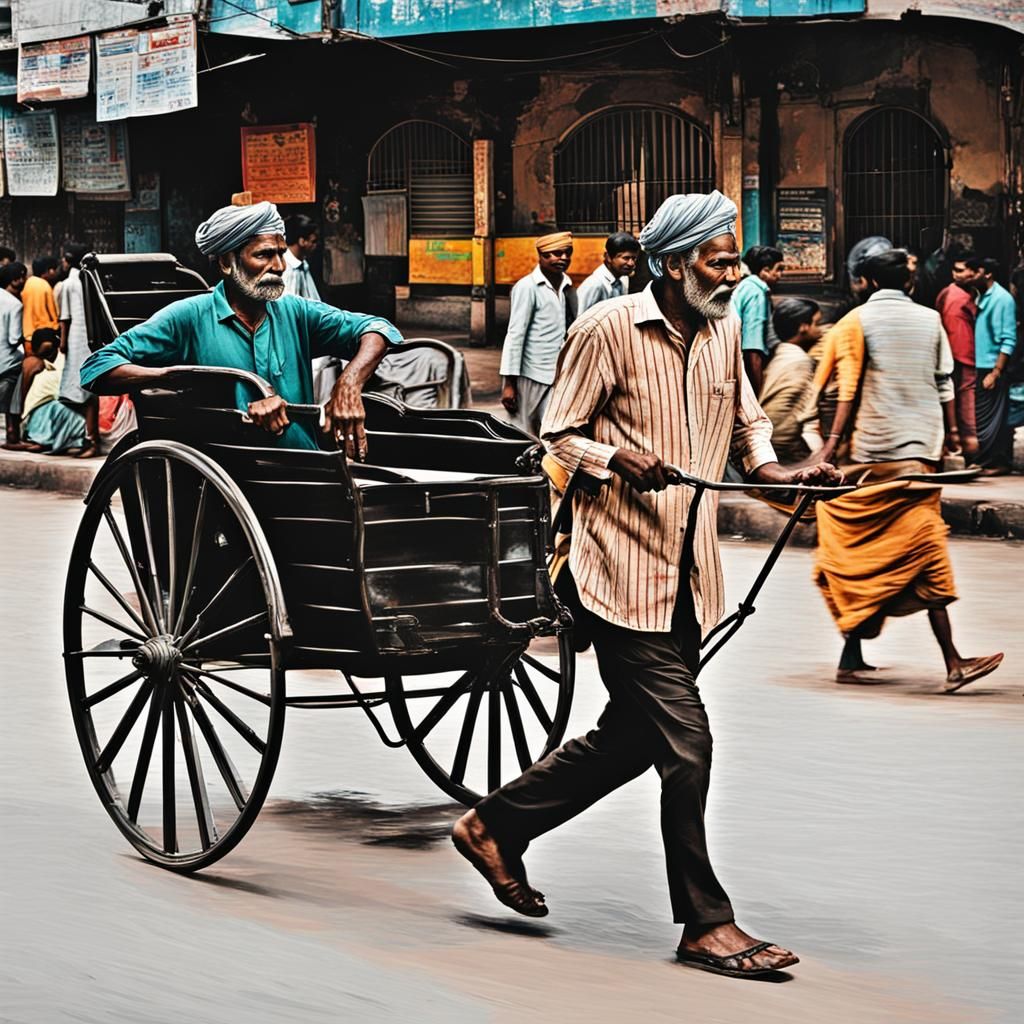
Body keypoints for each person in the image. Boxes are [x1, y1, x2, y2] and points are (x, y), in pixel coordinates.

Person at [452, 190, 842, 980]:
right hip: (617, 566)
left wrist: (779, 476)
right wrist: (613, 458)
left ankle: (493, 826)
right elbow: (556, 429)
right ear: (674, 263)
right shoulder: (606, 328)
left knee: (632, 737)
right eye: (719, 259)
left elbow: (745, 424)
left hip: (690, 569)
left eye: (734, 258)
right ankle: (706, 922)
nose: (733, 272)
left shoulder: (726, 327)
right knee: (686, 746)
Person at [809, 249, 1002, 691]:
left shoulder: (854, 323)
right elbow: (944, 382)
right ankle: (952, 662)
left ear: (870, 284)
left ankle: (852, 655)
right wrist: (956, 435)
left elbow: (846, 390)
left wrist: (831, 447)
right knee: (924, 549)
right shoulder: (928, 320)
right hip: (920, 452)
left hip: (874, 454)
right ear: (908, 284)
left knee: (873, 552)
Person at [81, 200, 402, 457]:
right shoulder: (188, 317)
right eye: (264, 255)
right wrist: (176, 376)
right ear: (226, 262)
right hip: (228, 475)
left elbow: (376, 328)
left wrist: (348, 383)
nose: (278, 266)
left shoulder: (295, 312)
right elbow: (97, 367)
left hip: (306, 467)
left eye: (280, 254)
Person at [499, 231, 577, 436]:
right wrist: (509, 384)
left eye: (567, 253)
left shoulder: (568, 287)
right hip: (530, 374)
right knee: (523, 432)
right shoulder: (527, 287)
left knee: (553, 432)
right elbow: (515, 334)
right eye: (555, 254)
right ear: (541, 256)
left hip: (558, 374)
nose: (563, 258)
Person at [759, 298, 824, 463]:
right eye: (817, 323)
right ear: (803, 327)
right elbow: (788, 418)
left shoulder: (782, 353)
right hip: (780, 447)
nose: (821, 330)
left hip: (765, 440)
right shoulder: (801, 362)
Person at [935, 254, 983, 462]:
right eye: (955, 270)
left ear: (977, 272)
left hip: (955, 355)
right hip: (961, 355)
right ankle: (967, 444)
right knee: (965, 399)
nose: (957, 274)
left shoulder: (955, 293)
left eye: (962, 270)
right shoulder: (956, 296)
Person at [972, 257, 1018, 475]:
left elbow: (1008, 339)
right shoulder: (984, 296)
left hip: (992, 368)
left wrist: (996, 371)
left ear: (987, 273)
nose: (971, 276)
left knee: (996, 420)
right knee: (987, 418)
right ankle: (988, 460)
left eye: (975, 271)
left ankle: (997, 462)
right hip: (982, 366)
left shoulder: (1003, 299)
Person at [58, 241, 101, 458]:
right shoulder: (91, 280)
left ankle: (91, 439)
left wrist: (62, 342)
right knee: (87, 390)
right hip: (90, 338)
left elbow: (65, 317)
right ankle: (88, 437)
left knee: (75, 391)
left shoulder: (68, 283)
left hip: (76, 339)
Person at [20, 327, 87, 455]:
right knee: (59, 409)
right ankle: (42, 440)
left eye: (50, 352)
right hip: (38, 411)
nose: (47, 357)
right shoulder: (33, 363)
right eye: (42, 353)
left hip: (66, 404)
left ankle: (56, 441)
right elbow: (22, 397)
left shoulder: (65, 361)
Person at [731, 245, 783, 395]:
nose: (781, 275)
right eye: (778, 269)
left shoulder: (746, 286)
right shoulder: (756, 293)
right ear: (765, 271)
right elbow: (752, 348)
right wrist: (759, 397)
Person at [576, 231, 640, 314]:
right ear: (608, 257)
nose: (631, 263)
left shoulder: (623, 280)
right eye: (626, 258)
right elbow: (579, 318)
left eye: (634, 258)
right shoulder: (595, 284)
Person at [0, 261, 26, 448]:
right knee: (27, 369)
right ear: (15, 279)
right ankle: (13, 434)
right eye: (23, 276)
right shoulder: (15, 304)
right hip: (7, 360)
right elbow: (14, 338)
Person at [22, 256, 60, 350]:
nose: (55, 273)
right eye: (54, 269)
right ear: (49, 270)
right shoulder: (45, 286)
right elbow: (53, 314)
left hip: (27, 336)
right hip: (43, 338)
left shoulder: (28, 283)